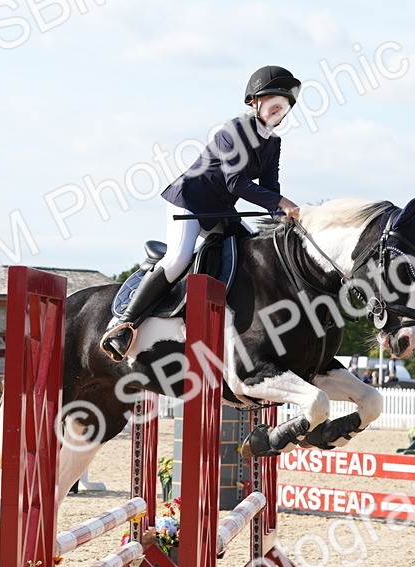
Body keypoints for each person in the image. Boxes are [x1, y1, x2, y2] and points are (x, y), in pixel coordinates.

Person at [100, 65, 303, 362]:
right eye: (273, 100)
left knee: (252, 252)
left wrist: (286, 219)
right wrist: (283, 202)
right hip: (190, 201)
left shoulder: (273, 143)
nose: (278, 108)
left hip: (221, 209)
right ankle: (124, 324)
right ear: (254, 102)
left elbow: (271, 188)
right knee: (179, 258)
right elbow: (236, 182)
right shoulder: (233, 131)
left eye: (283, 103)